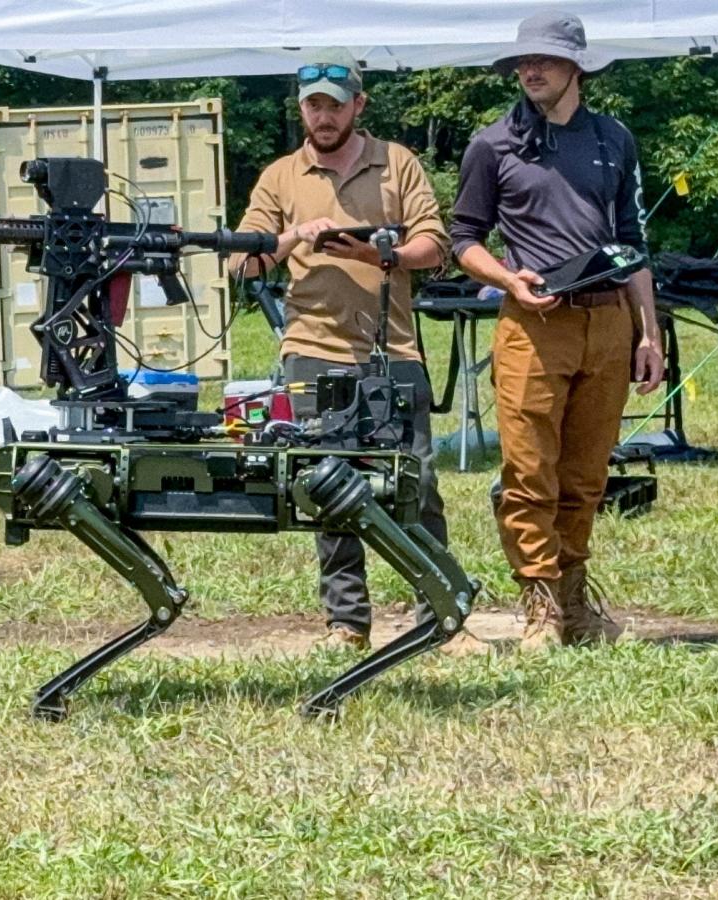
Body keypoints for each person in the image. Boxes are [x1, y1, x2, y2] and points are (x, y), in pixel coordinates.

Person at [231, 49, 490, 656]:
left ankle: (441, 614)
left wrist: (377, 254)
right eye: (312, 106)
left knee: (416, 481)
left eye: (334, 105)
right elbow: (244, 259)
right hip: (312, 348)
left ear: (358, 105)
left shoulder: (396, 162)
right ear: (301, 109)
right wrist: (293, 236)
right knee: (327, 484)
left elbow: (436, 245)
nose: (323, 117)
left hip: (392, 346)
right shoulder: (280, 176)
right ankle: (346, 622)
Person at [450, 12, 664, 649]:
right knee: (529, 470)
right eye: (523, 62)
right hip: (534, 324)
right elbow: (463, 239)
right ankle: (540, 601)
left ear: (577, 67)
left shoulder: (614, 138)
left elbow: (633, 243)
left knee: (587, 473)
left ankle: (575, 604)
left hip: (609, 320)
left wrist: (647, 334)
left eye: (543, 61)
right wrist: (510, 280)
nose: (530, 70)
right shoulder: (493, 144)